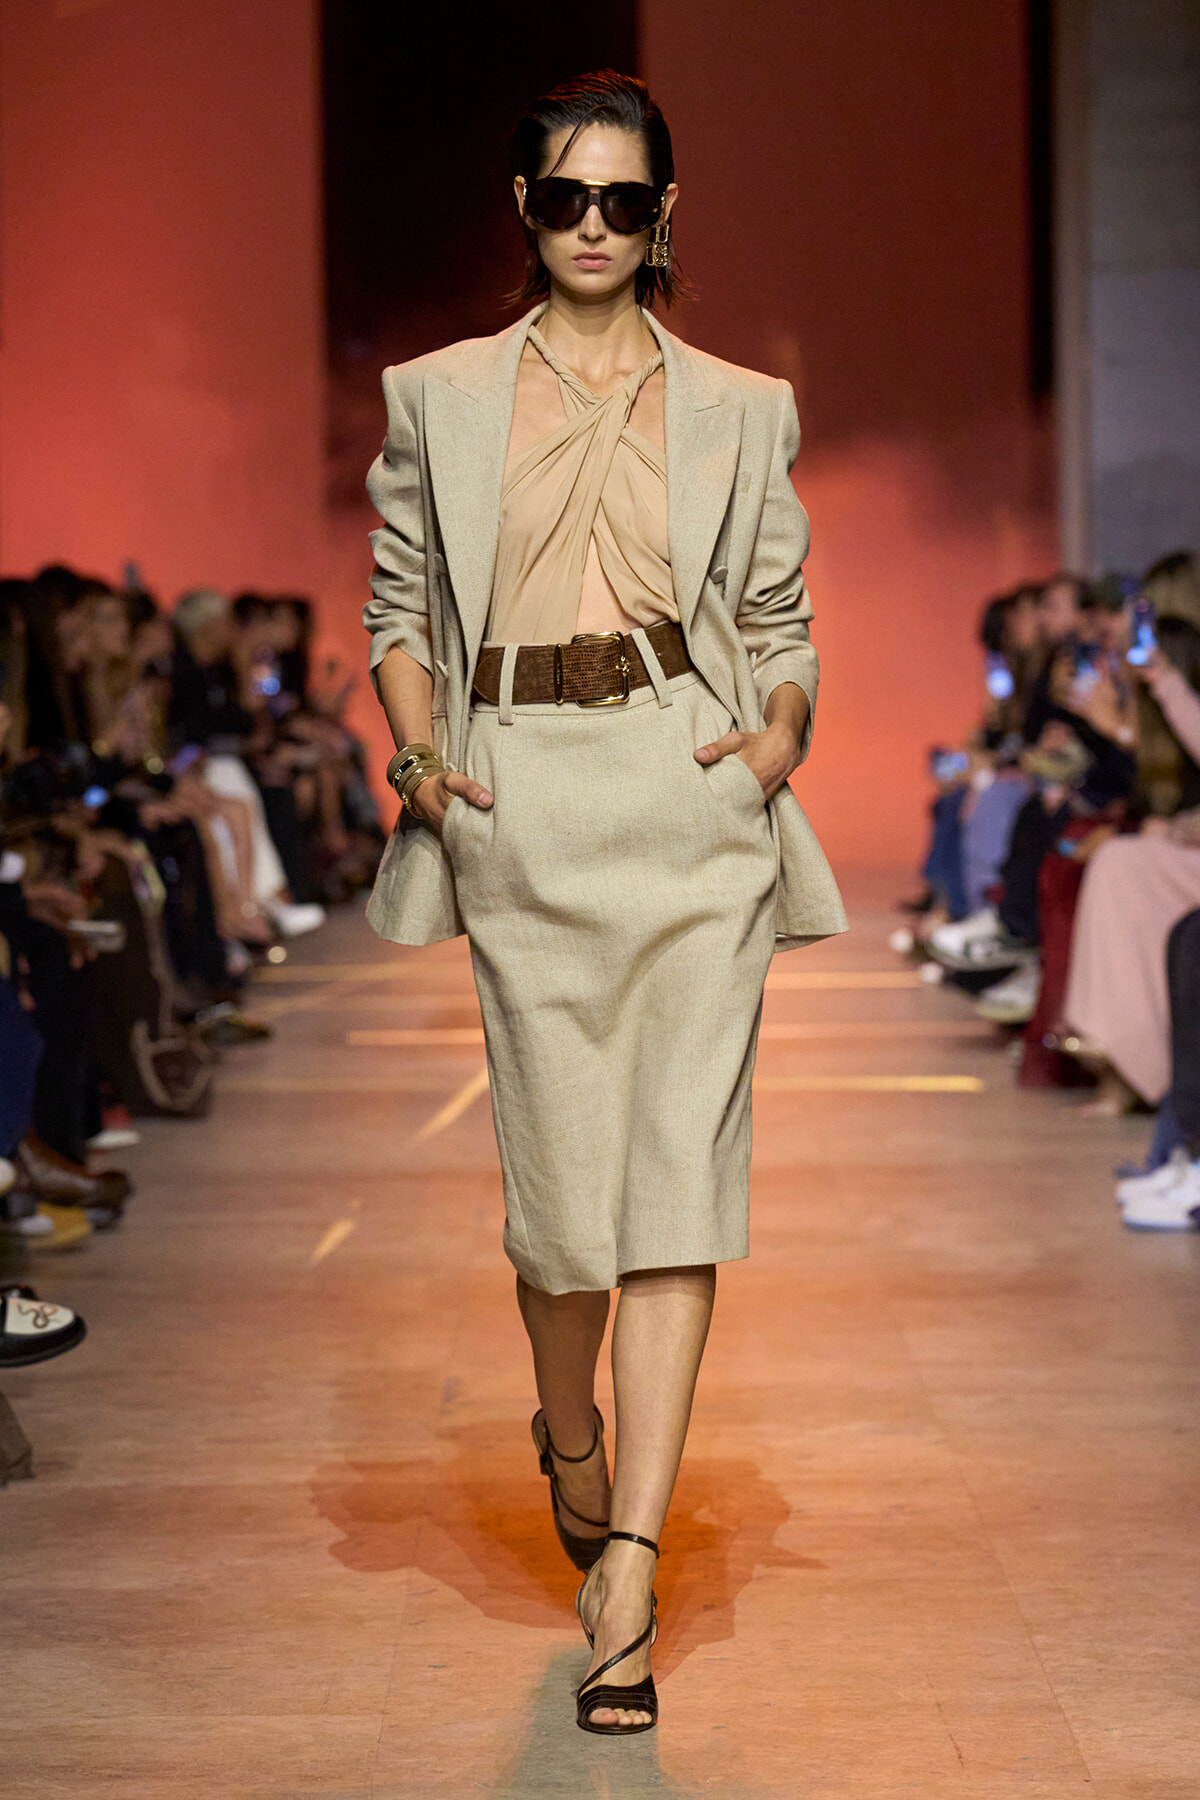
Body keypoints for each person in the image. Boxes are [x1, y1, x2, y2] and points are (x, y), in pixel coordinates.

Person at [362, 71, 844, 1734]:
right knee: (565, 1210)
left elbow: (776, 623)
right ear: (521, 208)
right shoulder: (434, 396)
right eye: (566, 199)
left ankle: (628, 1559)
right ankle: (567, 1429)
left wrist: (773, 739)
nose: (592, 228)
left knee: (675, 1188)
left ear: (663, 220)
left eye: (624, 204)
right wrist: (427, 768)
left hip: (689, 798)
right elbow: (399, 613)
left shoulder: (742, 405)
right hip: (524, 808)